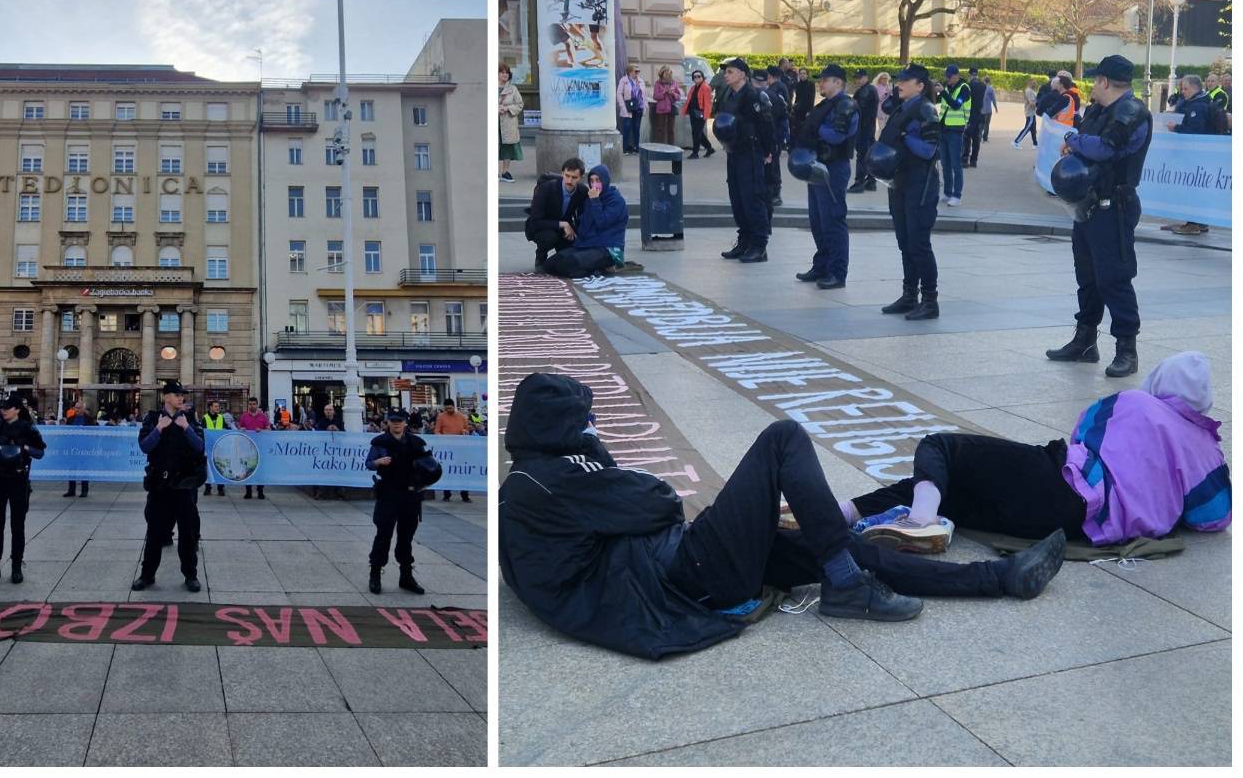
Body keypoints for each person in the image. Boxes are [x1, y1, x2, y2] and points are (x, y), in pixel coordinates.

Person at [499, 373, 1067, 660]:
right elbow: (658, 500)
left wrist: (607, 478)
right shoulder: (546, 483)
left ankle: (997, 578)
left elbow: (631, 505)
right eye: (586, 420)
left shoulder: (543, 479)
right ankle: (846, 585)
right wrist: (605, 470)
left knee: (835, 547)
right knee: (783, 438)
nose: (593, 428)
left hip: (676, 566)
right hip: (682, 575)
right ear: (561, 427)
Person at [844, 352, 1228, 553]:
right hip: (1068, 526)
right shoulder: (1208, 451)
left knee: (942, 447)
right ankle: (850, 511)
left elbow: (1084, 432)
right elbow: (1213, 520)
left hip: (1062, 483)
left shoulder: (1135, 402)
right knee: (953, 492)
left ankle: (920, 520)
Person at [1045, 55, 1151, 378]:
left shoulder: (1132, 114)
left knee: (1114, 279)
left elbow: (1106, 148)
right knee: (1087, 277)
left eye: (1095, 80)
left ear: (1105, 81)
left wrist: (1073, 140)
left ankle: (1126, 350)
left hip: (1114, 207)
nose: (1092, 85)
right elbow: (1087, 143)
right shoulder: (1098, 110)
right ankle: (1085, 341)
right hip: (1088, 205)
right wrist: (1075, 147)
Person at [875, 64, 943, 321]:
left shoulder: (925, 109)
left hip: (920, 183)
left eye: (905, 80)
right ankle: (908, 295)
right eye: (898, 80)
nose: (898, 84)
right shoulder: (902, 107)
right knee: (905, 242)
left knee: (918, 243)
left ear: (920, 85)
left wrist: (904, 136)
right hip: (900, 181)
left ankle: (929, 300)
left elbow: (929, 150)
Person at [133, 380, 205, 592]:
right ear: (166, 397)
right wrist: (158, 429)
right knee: (155, 532)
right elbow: (144, 447)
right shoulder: (153, 418)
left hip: (184, 485)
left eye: (182, 395)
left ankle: (190, 575)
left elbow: (200, 447)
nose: (180, 398)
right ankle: (147, 575)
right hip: (160, 485)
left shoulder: (189, 418)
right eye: (176, 394)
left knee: (187, 533)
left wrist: (186, 428)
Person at [792, 64, 857, 290]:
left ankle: (837, 273)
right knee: (817, 221)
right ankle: (822, 265)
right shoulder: (826, 105)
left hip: (833, 168)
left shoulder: (846, 105)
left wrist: (816, 128)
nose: (820, 83)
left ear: (838, 82)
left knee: (833, 220)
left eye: (825, 80)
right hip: (817, 166)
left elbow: (837, 136)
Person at [0, 395, 46, 585]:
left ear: (17, 409)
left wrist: (24, 447)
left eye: (8, 408)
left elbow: (40, 452)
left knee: (18, 526)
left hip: (18, 480)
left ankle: (16, 566)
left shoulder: (28, 428)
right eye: (2, 408)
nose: (4, 411)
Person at [715, 58, 776, 263]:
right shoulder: (728, 94)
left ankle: (759, 245)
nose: (726, 75)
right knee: (737, 198)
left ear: (742, 74)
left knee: (753, 197)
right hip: (734, 151)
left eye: (730, 72)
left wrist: (768, 151)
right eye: (726, 72)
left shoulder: (754, 95)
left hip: (751, 152)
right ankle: (745, 241)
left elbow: (767, 124)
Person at [366, 408, 432, 595]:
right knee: (383, 535)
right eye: (393, 421)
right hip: (388, 492)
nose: (396, 424)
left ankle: (406, 576)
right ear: (388, 423)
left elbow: (427, 466)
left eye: (400, 421)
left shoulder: (416, 442)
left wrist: (425, 481)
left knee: (406, 537)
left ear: (405, 423)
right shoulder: (380, 442)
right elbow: (369, 463)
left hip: (410, 494)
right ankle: (375, 573)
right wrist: (379, 462)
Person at [539, 165, 628, 279]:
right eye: (591, 181)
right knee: (550, 265)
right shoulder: (589, 198)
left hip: (608, 249)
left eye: (598, 180)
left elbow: (602, 223)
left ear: (605, 180)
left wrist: (595, 201)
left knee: (567, 265)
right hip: (587, 245)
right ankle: (591, 268)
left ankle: (598, 269)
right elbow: (584, 225)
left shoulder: (616, 201)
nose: (594, 184)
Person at [1162, 74, 1221, 236]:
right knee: (1197, 187)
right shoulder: (1202, 101)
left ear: (1195, 88)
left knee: (1192, 188)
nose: (1183, 92)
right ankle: (1199, 222)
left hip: (1195, 155)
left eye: (1185, 88)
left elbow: (1195, 132)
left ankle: (1193, 224)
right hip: (1200, 155)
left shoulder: (1198, 106)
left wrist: (1176, 128)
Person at [524, 158, 587, 269]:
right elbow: (536, 221)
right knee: (549, 238)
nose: (569, 180)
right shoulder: (547, 188)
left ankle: (559, 258)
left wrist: (576, 231)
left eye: (574, 177)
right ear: (562, 173)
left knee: (569, 255)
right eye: (567, 175)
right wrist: (563, 224)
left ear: (581, 178)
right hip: (542, 227)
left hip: (564, 228)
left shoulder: (582, 191)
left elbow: (582, 217)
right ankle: (540, 256)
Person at [936, 65, 971, 205]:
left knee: (956, 164)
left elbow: (956, 105)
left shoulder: (964, 88)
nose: (947, 79)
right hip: (943, 129)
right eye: (946, 76)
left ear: (956, 75)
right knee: (945, 163)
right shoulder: (947, 87)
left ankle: (957, 195)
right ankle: (947, 192)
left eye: (949, 76)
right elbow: (939, 102)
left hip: (956, 130)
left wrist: (942, 93)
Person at [762, 66, 791, 210]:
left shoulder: (775, 90)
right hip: (779, 130)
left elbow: (778, 112)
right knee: (774, 162)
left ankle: (776, 193)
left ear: (770, 77)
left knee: (774, 163)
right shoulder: (780, 87)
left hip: (777, 130)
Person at [848, 69, 880, 192]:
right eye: (857, 78)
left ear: (866, 77)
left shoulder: (866, 91)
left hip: (864, 128)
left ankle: (859, 182)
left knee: (862, 155)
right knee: (868, 155)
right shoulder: (866, 90)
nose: (858, 80)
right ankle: (871, 181)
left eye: (860, 77)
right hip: (867, 127)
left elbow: (859, 109)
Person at [434, 398, 473, 502]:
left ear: (454, 406)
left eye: (450, 408)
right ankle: (447, 495)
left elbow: (467, 430)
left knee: (463, 471)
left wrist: (465, 431)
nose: (449, 410)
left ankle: (465, 495)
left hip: (461, 449)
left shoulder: (462, 417)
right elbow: (437, 431)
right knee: (447, 471)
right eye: (446, 409)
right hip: (447, 449)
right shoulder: (441, 417)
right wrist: (444, 438)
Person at [237, 397, 270, 500]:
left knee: (260, 469)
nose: (252, 406)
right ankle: (248, 491)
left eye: (254, 404)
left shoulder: (263, 417)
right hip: (247, 448)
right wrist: (241, 429)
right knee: (248, 469)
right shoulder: (244, 416)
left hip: (260, 447)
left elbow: (269, 429)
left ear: (257, 405)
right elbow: (239, 429)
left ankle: (260, 491)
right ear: (248, 405)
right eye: (250, 404)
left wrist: (262, 430)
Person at [201, 400, 235, 497]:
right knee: (208, 468)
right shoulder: (205, 418)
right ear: (210, 407)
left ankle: (221, 488)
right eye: (215, 406)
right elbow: (203, 432)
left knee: (221, 467)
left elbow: (224, 430)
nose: (217, 408)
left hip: (220, 447)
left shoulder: (221, 417)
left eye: (218, 406)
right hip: (209, 447)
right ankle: (208, 488)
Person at [62, 399, 94, 498]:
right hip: (73, 447)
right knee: (72, 469)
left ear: (84, 409)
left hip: (85, 447)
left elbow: (94, 434)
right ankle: (71, 490)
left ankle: (84, 490)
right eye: (76, 407)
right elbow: (67, 433)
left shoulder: (89, 419)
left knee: (84, 469)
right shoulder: (70, 419)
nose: (77, 409)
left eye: (79, 408)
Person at [680, 68, 715, 159]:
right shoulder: (693, 88)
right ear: (693, 79)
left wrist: (706, 115)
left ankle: (695, 153)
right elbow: (689, 100)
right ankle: (709, 148)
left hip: (701, 113)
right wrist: (685, 110)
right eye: (695, 77)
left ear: (703, 77)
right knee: (698, 133)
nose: (697, 78)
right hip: (693, 113)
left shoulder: (706, 87)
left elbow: (708, 103)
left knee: (696, 133)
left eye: (699, 76)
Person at [497, 63, 523, 183]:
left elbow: (519, 104)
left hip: (508, 122)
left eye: (506, 73)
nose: (505, 75)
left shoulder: (513, 89)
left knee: (507, 147)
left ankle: (504, 172)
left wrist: (507, 108)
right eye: (502, 72)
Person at [617, 65, 646, 154]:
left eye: (638, 71)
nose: (637, 73)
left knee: (636, 128)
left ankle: (636, 148)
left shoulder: (640, 81)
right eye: (635, 71)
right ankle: (624, 148)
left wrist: (645, 106)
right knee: (626, 128)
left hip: (638, 107)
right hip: (628, 107)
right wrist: (622, 106)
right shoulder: (624, 80)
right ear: (630, 72)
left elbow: (644, 95)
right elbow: (619, 94)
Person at [963, 68, 988, 168]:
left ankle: (965, 160)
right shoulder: (983, 85)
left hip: (970, 115)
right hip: (980, 115)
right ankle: (974, 161)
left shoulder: (968, 85)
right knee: (976, 140)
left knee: (967, 138)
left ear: (970, 74)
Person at [651, 66, 682, 145]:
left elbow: (678, 96)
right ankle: (660, 146)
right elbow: (655, 96)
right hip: (661, 109)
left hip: (671, 109)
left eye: (670, 73)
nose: (669, 75)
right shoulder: (658, 83)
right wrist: (664, 92)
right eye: (667, 73)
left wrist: (673, 93)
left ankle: (671, 147)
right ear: (662, 74)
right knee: (660, 129)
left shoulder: (674, 83)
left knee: (671, 129)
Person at [1013, 78, 1040, 149]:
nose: (1035, 84)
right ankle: (1016, 141)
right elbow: (1031, 103)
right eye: (1034, 83)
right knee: (1027, 128)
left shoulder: (1031, 91)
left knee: (1033, 129)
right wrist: (1039, 104)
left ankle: (1035, 144)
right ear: (1030, 83)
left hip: (1032, 112)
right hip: (1030, 112)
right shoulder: (1029, 91)